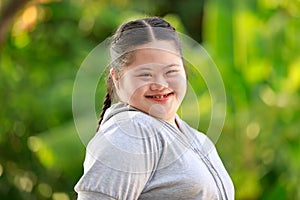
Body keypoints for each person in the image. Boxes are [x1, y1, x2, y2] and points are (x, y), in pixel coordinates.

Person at [74, 16, 234, 200]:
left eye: (171, 71)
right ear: (117, 78)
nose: (160, 84)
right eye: (145, 74)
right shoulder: (129, 133)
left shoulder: (196, 137)